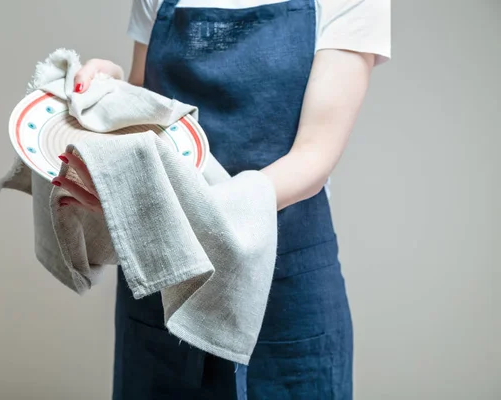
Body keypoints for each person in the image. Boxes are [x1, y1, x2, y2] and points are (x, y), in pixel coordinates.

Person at [51, 0, 390, 398]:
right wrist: (110, 90)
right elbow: (149, 112)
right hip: (167, 274)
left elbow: (313, 158)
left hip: (283, 286)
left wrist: (158, 202)